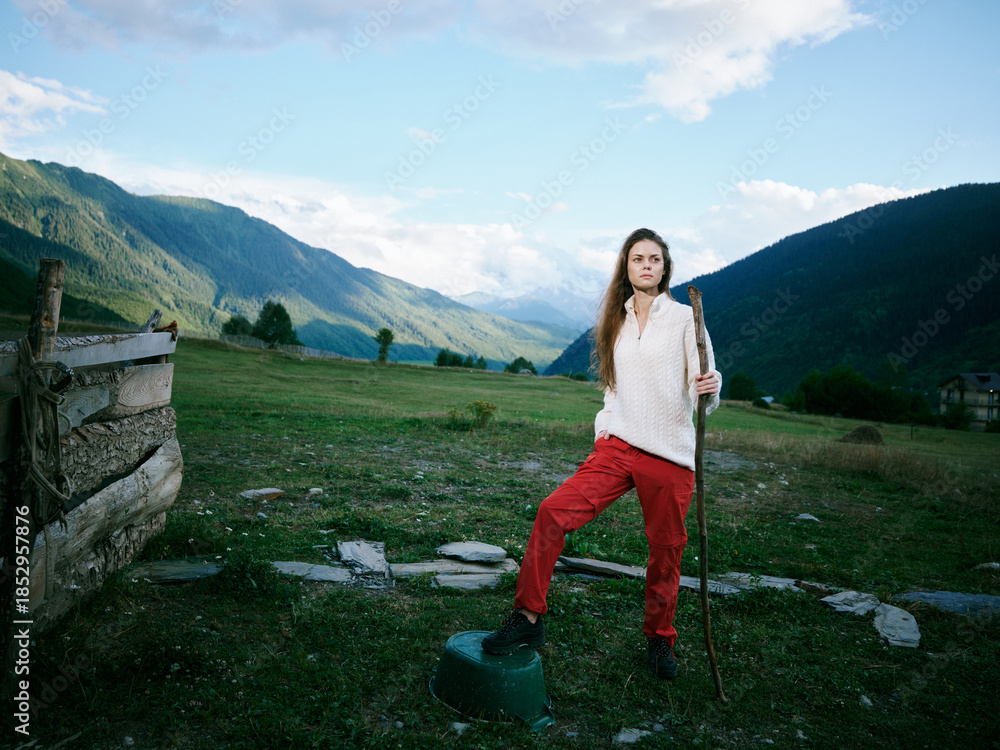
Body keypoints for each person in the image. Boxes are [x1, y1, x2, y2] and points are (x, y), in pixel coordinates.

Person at [481, 228, 721, 679]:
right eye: (637, 259)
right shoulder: (618, 322)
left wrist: (712, 387)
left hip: (668, 455)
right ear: (626, 268)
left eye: (654, 258)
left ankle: (658, 641)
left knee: (665, 552)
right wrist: (604, 432)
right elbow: (612, 389)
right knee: (553, 511)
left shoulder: (687, 320)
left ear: (665, 268)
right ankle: (529, 617)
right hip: (618, 447)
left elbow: (702, 388)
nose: (646, 265)